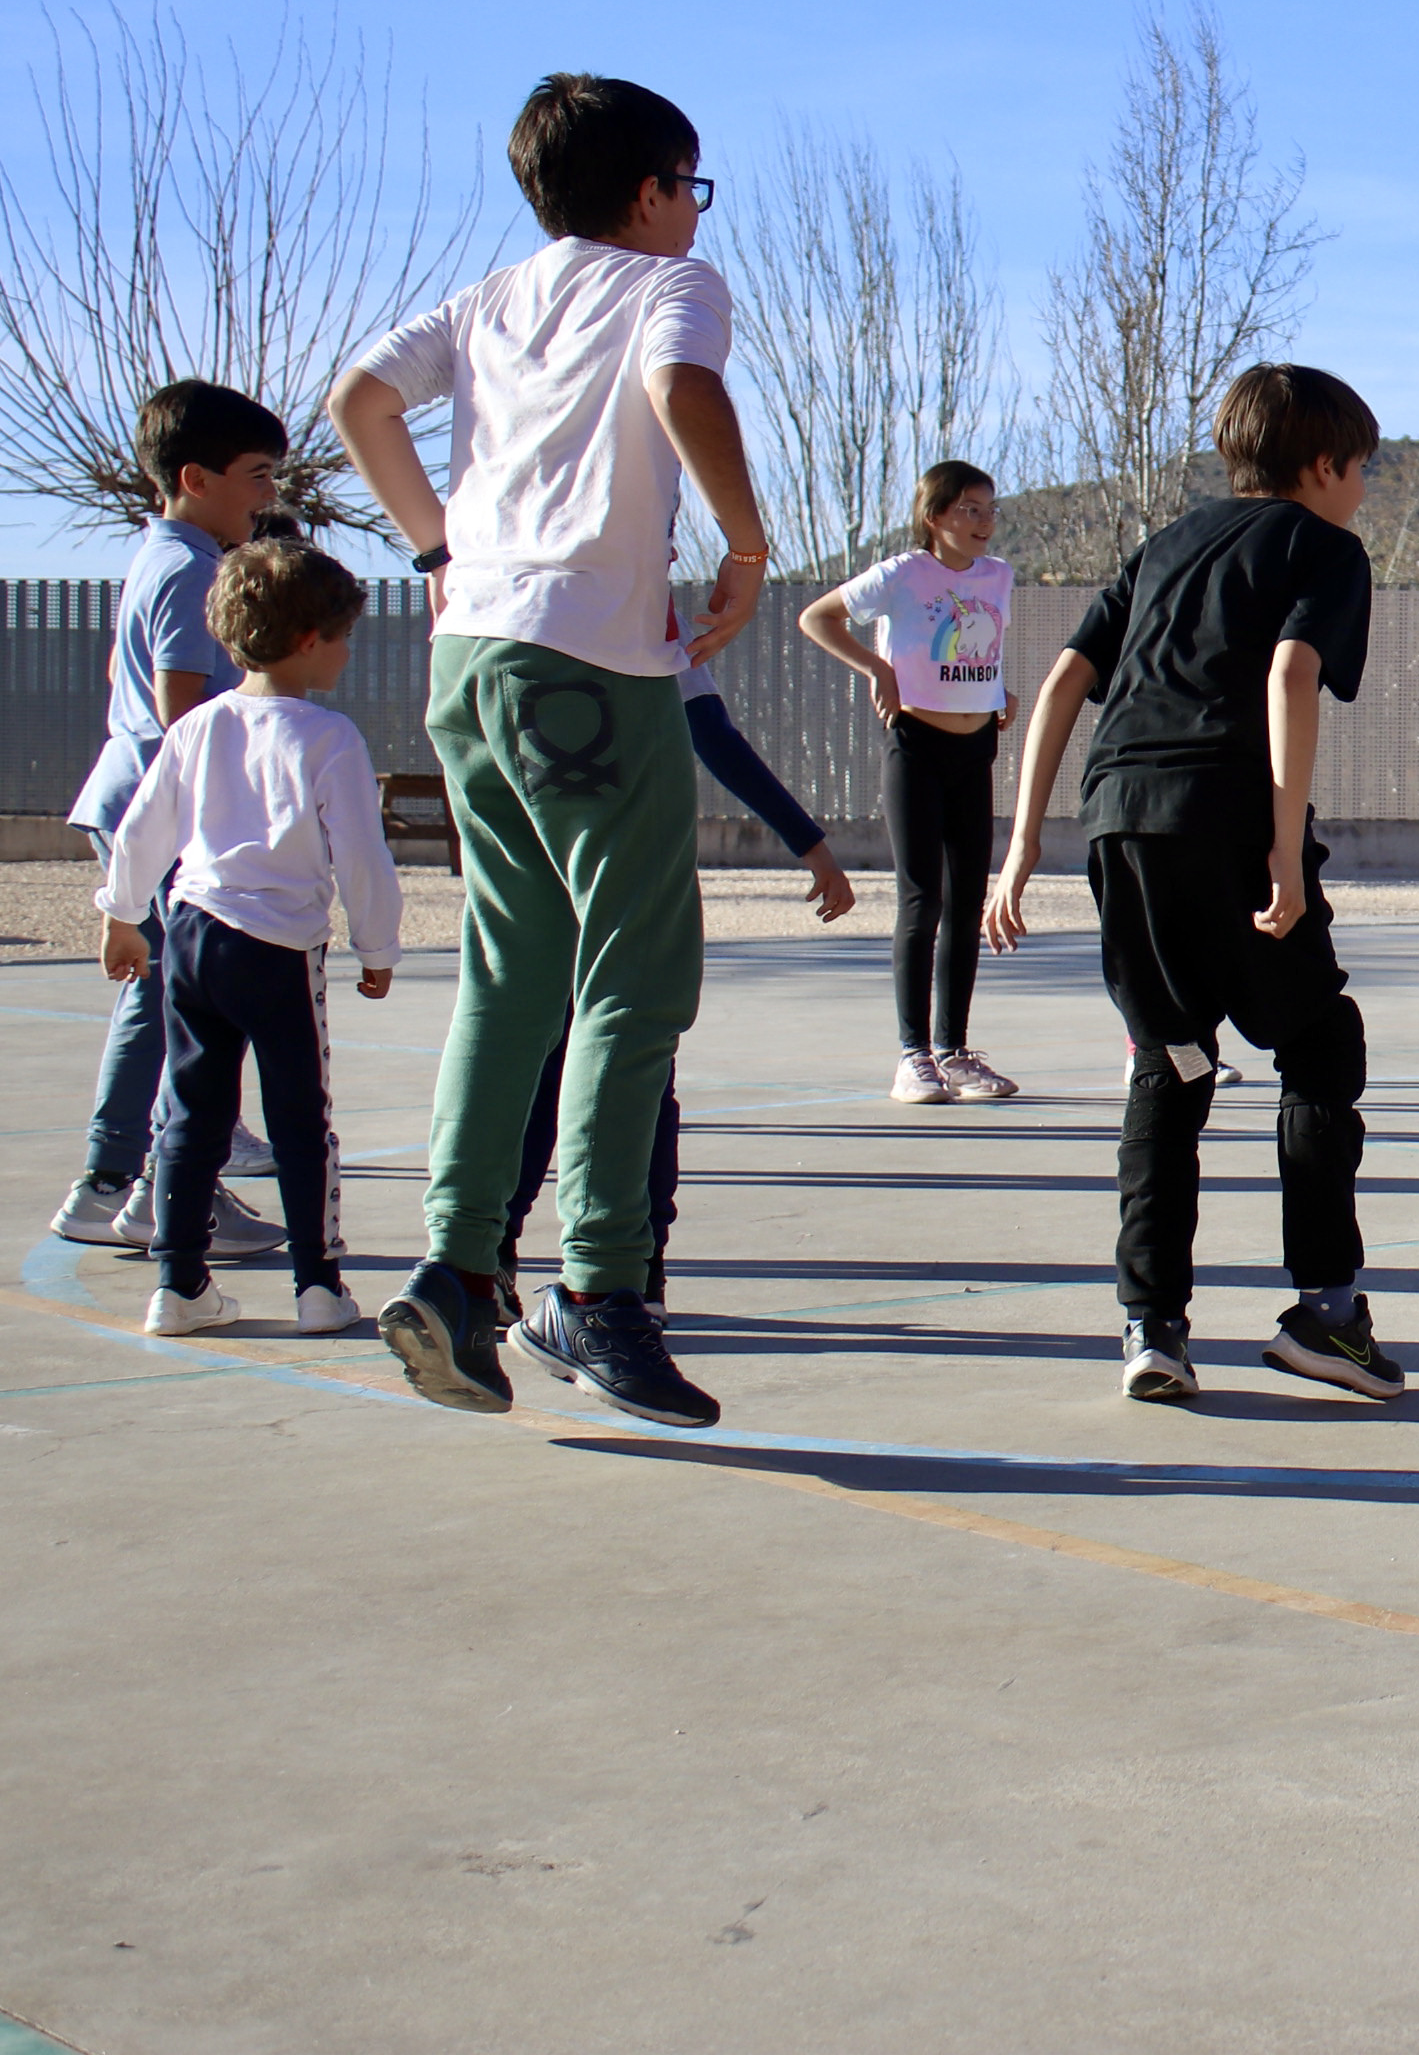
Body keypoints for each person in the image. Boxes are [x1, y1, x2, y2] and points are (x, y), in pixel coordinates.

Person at [331, 71, 772, 1432]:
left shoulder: (493, 297)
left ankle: (462, 1268)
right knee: (636, 980)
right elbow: (683, 384)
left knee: (512, 968)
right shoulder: (664, 289)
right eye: (690, 192)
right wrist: (745, 545)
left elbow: (357, 399)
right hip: (590, 667)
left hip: (470, 658)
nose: (696, 217)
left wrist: (438, 549)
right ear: (649, 193)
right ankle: (599, 1289)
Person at [985, 362, 1395, 1406]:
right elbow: (1290, 674)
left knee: (1171, 1063)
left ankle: (1152, 1326)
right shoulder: (1325, 548)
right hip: (1226, 818)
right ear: (1322, 464)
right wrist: (1286, 852)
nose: (1363, 491)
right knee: (1317, 1045)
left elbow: (1071, 678)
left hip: (1119, 820)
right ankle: (1328, 1313)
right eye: (1361, 470)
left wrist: (1023, 840)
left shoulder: (1165, 546)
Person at [91, 538, 401, 1338]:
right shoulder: (328, 739)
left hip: (192, 937)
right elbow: (362, 859)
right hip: (279, 949)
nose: (346, 651)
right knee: (302, 1118)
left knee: (191, 1115)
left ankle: (179, 1286)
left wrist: (124, 914)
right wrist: (378, 949)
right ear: (309, 641)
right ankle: (317, 1287)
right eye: (342, 637)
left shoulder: (198, 727)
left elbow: (144, 828)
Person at [494, 663, 857, 1320]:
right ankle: (630, 1272)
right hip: (624, 880)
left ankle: (502, 1255)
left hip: (559, 878)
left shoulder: (513, 621)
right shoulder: (646, 624)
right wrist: (812, 846)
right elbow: (715, 739)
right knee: (630, 1065)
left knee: (553, 1065)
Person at [49, 380, 295, 1261]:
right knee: (175, 1002)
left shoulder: (163, 554)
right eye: (257, 475)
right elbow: (182, 710)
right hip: (161, 814)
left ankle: (123, 1180)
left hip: (136, 804)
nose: (270, 495)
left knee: (160, 999)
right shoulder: (195, 570)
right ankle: (142, 1183)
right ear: (194, 476)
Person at [800, 460, 1018, 1103]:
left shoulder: (999, 577)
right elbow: (817, 618)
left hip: (975, 750)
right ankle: (912, 1055)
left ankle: (954, 1051)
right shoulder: (902, 573)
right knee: (922, 899)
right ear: (936, 517)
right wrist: (876, 668)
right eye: (969, 510)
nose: (983, 522)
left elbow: (976, 649)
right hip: (915, 747)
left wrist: (998, 688)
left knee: (967, 902)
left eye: (989, 509)